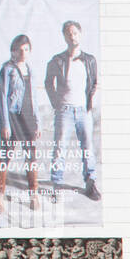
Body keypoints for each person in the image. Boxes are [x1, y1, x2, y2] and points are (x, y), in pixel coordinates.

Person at [45, 20, 101, 201]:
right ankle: (56, 184)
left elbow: (93, 83)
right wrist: (56, 103)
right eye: (68, 33)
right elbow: (48, 83)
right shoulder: (57, 60)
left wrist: (88, 103)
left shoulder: (90, 60)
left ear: (80, 34)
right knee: (59, 148)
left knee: (88, 148)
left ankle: (91, 183)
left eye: (75, 32)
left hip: (83, 111)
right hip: (65, 111)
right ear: (64, 36)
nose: (72, 36)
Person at [0, 34, 39, 215]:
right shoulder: (7, 69)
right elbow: (2, 98)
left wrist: (37, 122)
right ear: (13, 51)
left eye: (26, 49)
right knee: (5, 157)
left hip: (28, 118)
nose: (23, 53)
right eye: (19, 49)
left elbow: (34, 98)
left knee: (31, 157)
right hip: (12, 117)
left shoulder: (31, 69)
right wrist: (5, 123)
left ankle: (33, 195)